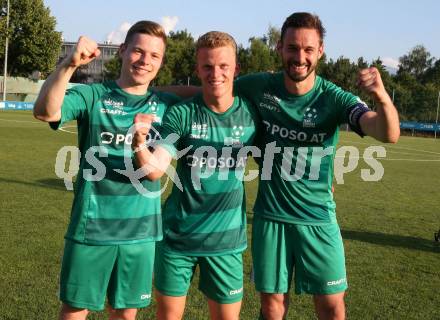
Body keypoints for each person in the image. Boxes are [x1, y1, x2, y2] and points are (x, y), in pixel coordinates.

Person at [234, 12, 400, 320]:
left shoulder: (333, 97)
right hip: (272, 218)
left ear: (320, 51)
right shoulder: (257, 87)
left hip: (319, 218)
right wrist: (150, 94)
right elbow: (209, 92)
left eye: (308, 49)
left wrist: (381, 97)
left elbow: (387, 133)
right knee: (272, 309)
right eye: (292, 48)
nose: (300, 57)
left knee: (332, 307)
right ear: (280, 48)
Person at [33, 21, 180, 320]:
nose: (145, 60)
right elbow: (45, 111)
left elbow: (155, 171)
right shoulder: (95, 95)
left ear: (161, 62)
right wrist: (69, 63)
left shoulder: (169, 107)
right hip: (91, 228)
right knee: (75, 310)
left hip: (141, 234)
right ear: (123, 51)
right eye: (138, 51)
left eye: (154, 55)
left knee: (125, 313)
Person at [131, 31, 258, 320]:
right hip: (178, 239)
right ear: (197, 69)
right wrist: (138, 143)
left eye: (223, 66)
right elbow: (154, 171)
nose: (216, 73)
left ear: (236, 69)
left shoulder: (251, 116)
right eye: (208, 66)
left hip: (226, 243)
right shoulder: (182, 114)